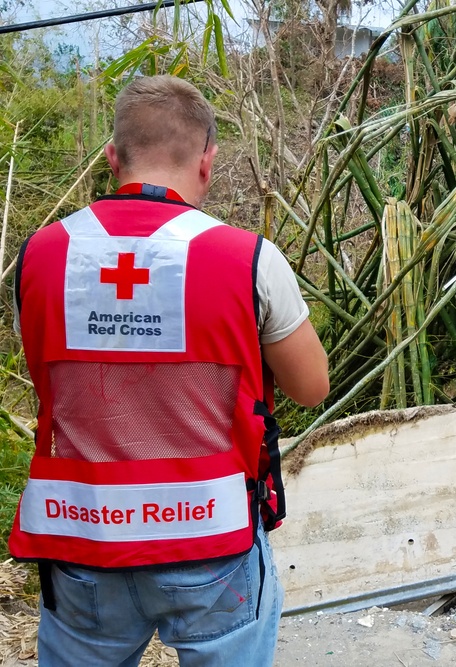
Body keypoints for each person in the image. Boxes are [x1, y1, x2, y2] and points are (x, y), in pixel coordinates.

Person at [8, 75, 329, 666]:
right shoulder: (248, 259)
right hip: (210, 536)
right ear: (208, 161)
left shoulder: (38, 254)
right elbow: (311, 389)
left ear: (112, 159)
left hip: (83, 534)